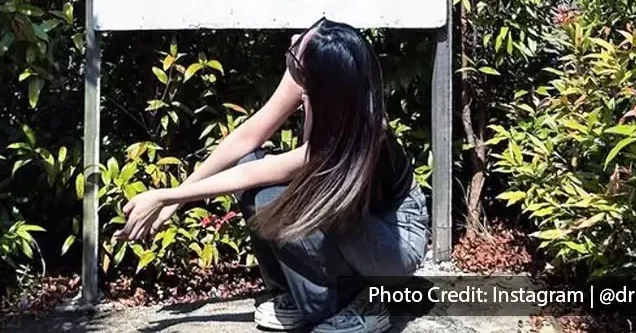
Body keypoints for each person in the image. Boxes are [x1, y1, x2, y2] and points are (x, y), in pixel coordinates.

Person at [117, 17, 430, 332]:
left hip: (393, 238)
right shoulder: (313, 74)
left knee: (272, 195)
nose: (293, 41)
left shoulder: (362, 134)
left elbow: (256, 173)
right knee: (255, 175)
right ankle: (295, 294)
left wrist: (164, 195)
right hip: (356, 217)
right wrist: (174, 202)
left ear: (323, 83)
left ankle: (358, 300)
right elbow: (245, 139)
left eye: (299, 48)